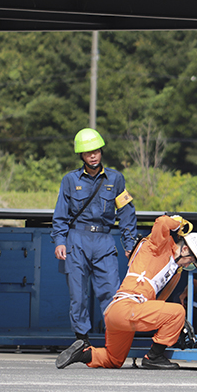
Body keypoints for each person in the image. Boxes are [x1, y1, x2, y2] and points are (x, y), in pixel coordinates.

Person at [56, 215, 197, 370]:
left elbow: (159, 303)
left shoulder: (175, 271)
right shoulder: (159, 246)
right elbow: (162, 222)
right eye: (191, 262)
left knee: (113, 359)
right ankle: (154, 357)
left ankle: (83, 352)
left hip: (118, 312)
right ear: (184, 249)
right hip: (128, 308)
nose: (189, 266)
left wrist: (175, 327)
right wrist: (179, 223)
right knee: (178, 311)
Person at [51, 128, 137, 347]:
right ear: (81, 155)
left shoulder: (116, 179)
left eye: (96, 150)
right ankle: (82, 340)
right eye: (88, 152)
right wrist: (60, 241)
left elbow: (127, 213)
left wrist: (130, 245)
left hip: (104, 241)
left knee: (110, 291)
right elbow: (60, 214)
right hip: (76, 240)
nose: (93, 155)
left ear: (101, 151)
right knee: (78, 295)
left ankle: (113, 339)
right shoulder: (70, 180)